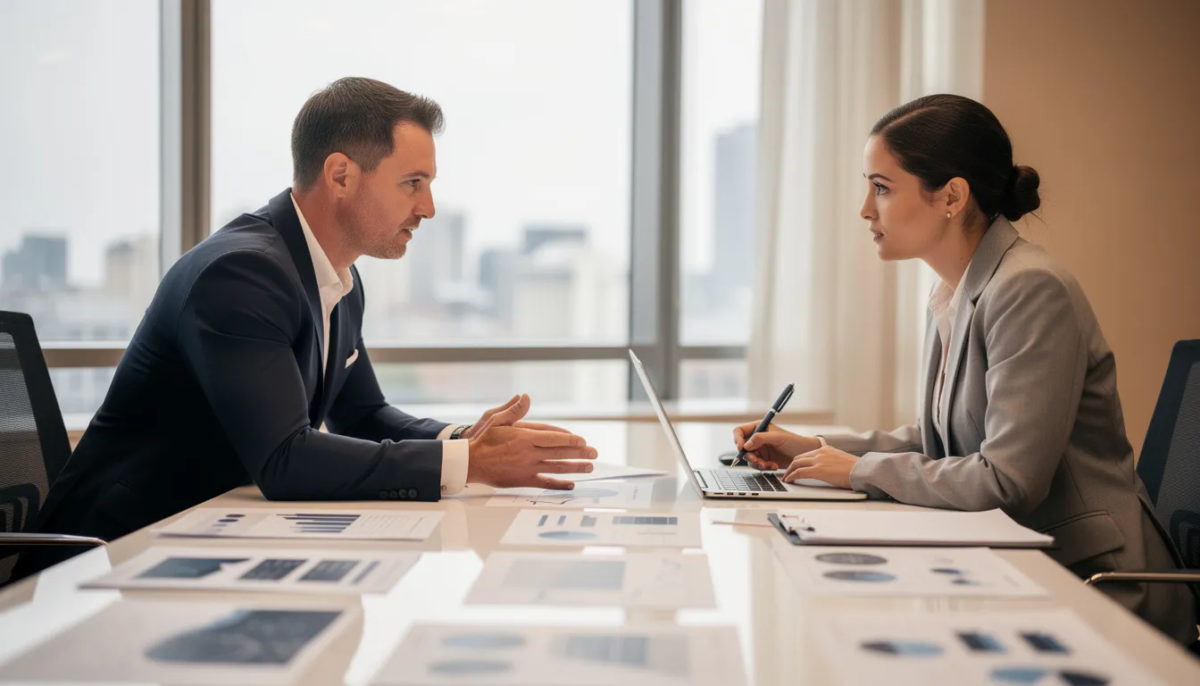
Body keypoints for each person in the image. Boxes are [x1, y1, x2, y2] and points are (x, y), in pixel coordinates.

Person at [15, 77, 597, 579]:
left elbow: (364, 415)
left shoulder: (338, 278)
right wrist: (473, 465)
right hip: (112, 557)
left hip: (208, 541)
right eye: (412, 183)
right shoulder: (241, 274)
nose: (429, 208)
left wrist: (464, 439)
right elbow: (284, 459)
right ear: (341, 175)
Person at [734, 94, 1198, 645]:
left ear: (952, 196)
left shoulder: (1029, 288)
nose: (865, 208)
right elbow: (943, 443)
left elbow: (1007, 480)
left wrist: (857, 471)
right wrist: (812, 447)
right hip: (1020, 561)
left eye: (881, 187)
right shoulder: (956, 289)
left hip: (1096, 585)